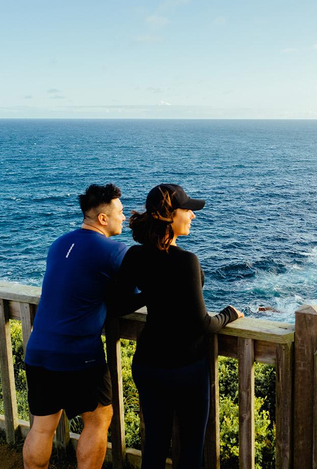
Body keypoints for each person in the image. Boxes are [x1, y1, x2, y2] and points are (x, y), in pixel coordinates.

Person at [117, 183, 243, 469]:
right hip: (185, 369)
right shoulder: (187, 261)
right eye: (188, 210)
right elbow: (202, 323)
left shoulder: (135, 256)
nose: (193, 216)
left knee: (155, 446)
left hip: (148, 365)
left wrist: (150, 293)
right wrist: (229, 314)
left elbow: (117, 305)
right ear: (170, 215)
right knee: (190, 451)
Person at [23, 183, 133, 469]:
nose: (125, 217)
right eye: (120, 212)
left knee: (42, 427)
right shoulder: (114, 251)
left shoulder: (59, 243)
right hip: (79, 354)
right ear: (102, 219)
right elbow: (133, 294)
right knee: (98, 421)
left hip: (39, 350)